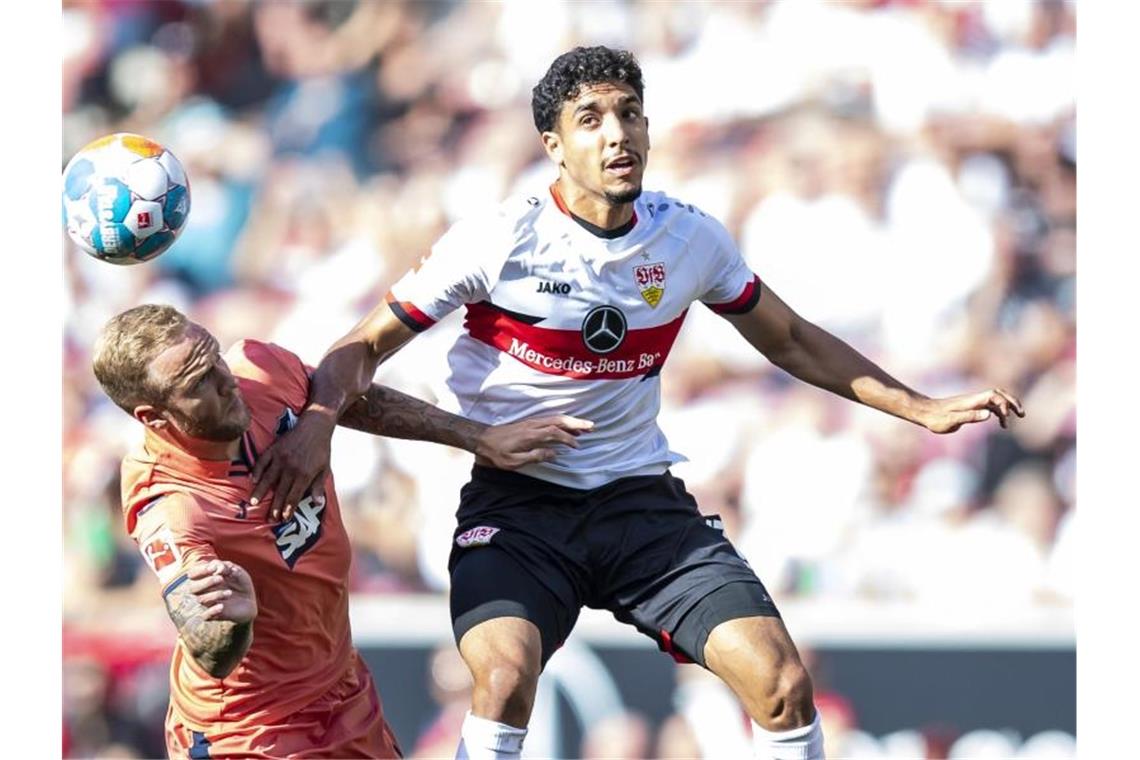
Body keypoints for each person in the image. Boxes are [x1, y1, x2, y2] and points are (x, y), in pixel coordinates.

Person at [249, 46, 1025, 760]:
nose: (617, 134)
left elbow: (789, 339)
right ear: (554, 145)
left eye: (629, 113)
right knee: (503, 679)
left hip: (641, 508)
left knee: (783, 684)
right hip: (519, 510)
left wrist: (920, 408)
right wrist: (335, 426)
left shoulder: (689, 241)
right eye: (590, 119)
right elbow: (357, 351)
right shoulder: (498, 241)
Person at [92, 303, 588, 759]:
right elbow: (208, 644)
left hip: (343, 695)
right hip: (250, 730)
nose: (225, 380)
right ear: (152, 417)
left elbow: (347, 398)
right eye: (198, 381)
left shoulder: (260, 370)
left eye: (214, 356)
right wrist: (231, 625)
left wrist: (474, 438)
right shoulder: (168, 503)